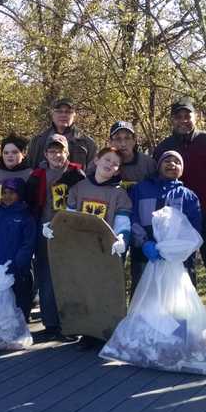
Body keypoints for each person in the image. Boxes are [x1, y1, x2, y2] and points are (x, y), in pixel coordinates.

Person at [153, 96, 206, 339]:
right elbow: (156, 181)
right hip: (177, 221)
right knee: (183, 269)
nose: (183, 120)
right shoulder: (163, 147)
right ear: (172, 120)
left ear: (195, 116)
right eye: (178, 116)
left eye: (187, 115)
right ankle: (185, 317)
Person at [66, 146, 133, 348]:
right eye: (107, 160)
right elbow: (68, 216)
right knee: (83, 289)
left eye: (115, 164)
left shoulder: (119, 194)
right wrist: (56, 229)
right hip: (81, 248)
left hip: (106, 249)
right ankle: (87, 332)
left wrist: (122, 239)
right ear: (96, 160)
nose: (110, 165)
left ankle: (106, 332)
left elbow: (123, 223)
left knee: (105, 291)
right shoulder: (79, 188)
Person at [26, 133, 86, 340]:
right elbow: (29, 202)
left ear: (67, 152)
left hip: (70, 232)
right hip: (45, 230)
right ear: (45, 153)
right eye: (51, 151)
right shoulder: (38, 175)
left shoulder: (77, 173)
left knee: (70, 277)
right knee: (46, 277)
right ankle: (50, 322)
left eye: (59, 150)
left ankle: (70, 323)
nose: (56, 155)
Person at [129, 150, 202, 296]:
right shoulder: (140, 189)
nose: (172, 164)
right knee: (144, 298)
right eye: (167, 160)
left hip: (177, 261)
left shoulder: (187, 196)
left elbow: (194, 230)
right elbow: (132, 218)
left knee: (177, 302)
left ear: (182, 170)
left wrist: (175, 250)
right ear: (158, 166)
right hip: (144, 256)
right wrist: (144, 243)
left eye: (177, 162)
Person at [0, 178, 37, 321]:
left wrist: (18, 263)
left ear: (20, 194)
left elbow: (28, 244)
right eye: (4, 192)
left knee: (20, 302)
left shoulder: (26, 217)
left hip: (18, 270)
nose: (7, 196)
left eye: (12, 193)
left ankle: (20, 329)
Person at [27, 97, 97, 170]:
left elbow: (92, 173)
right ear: (52, 114)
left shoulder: (87, 143)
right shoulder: (38, 141)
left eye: (68, 112)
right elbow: (30, 169)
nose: (63, 115)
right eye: (59, 111)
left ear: (74, 115)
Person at [108, 121, 156, 190]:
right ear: (110, 142)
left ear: (134, 140)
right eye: (118, 139)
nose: (123, 144)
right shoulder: (104, 163)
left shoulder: (148, 163)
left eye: (127, 138)